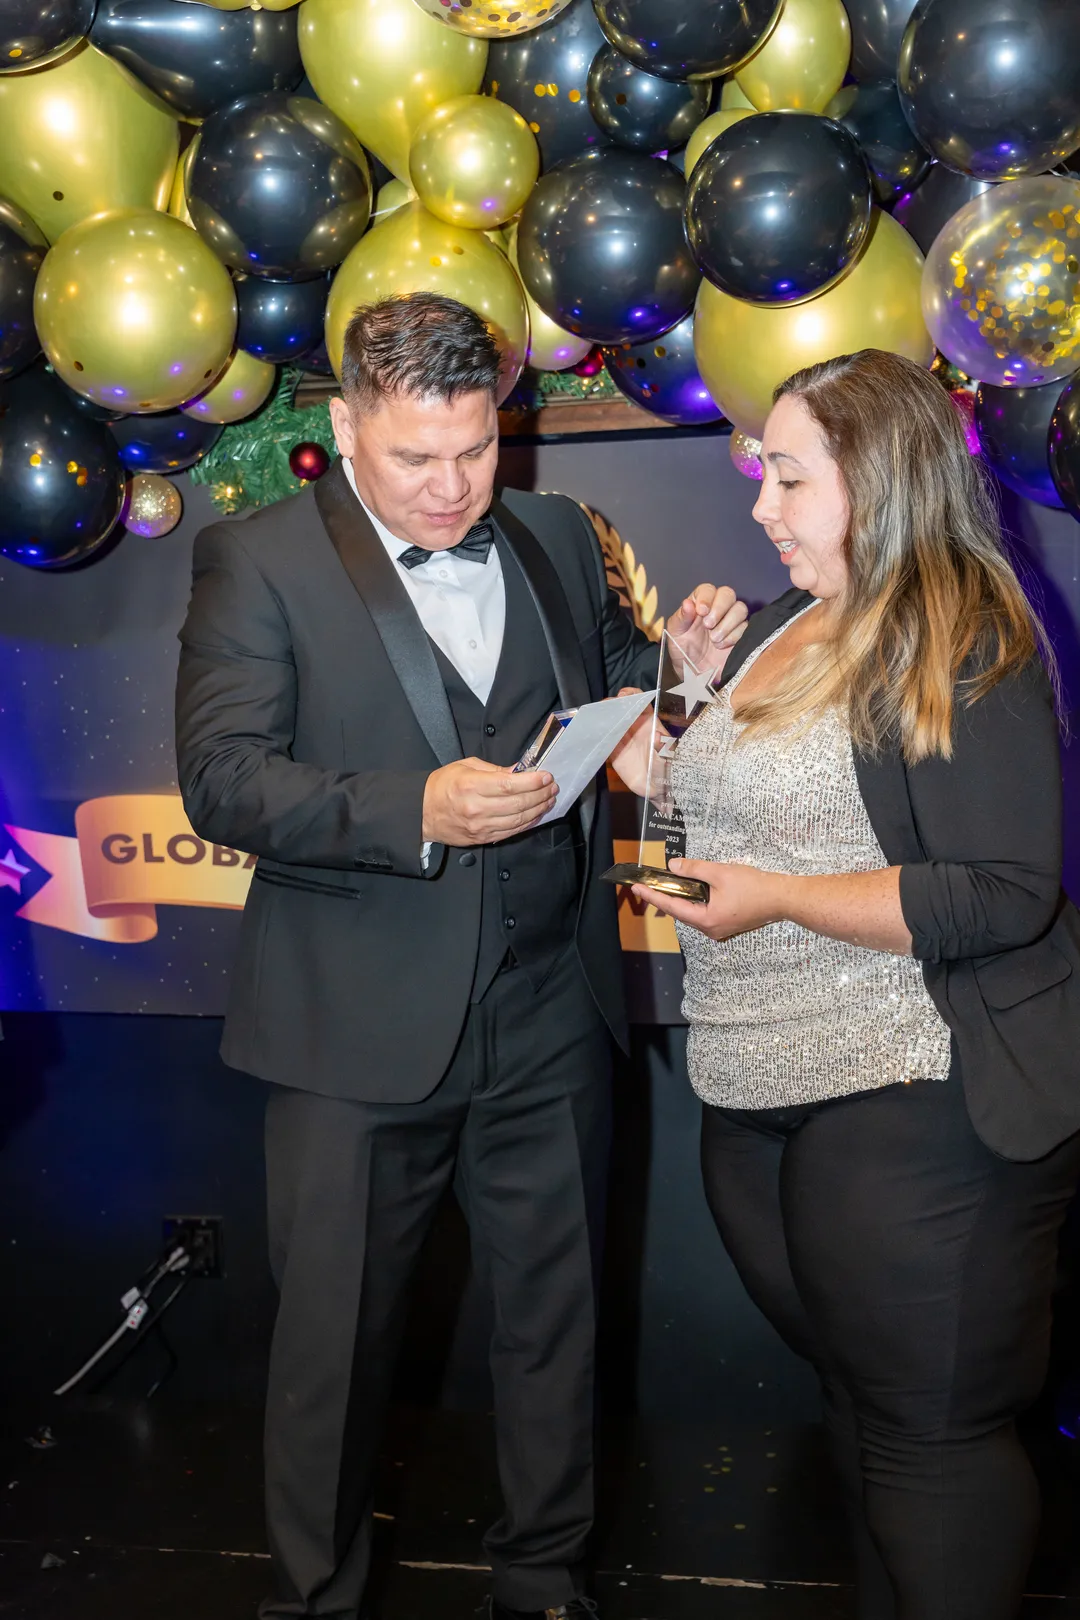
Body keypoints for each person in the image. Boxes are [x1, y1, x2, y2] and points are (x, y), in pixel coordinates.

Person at [175, 291, 747, 1620]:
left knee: (557, 1323)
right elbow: (220, 780)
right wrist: (412, 811)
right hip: (352, 1028)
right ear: (344, 423)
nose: (450, 488)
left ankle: (543, 1578)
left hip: (549, 1009)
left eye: (476, 449)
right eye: (414, 458)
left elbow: (629, 733)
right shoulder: (256, 561)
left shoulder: (553, 533)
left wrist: (680, 689)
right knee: (334, 1345)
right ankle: (315, 1597)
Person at [613, 348, 1080, 1620]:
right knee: (867, 1418)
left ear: (880, 479)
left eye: (791, 476)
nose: (761, 503)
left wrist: (780, 898)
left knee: (930, 1443)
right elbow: (699, 803)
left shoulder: (959, 623)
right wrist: (679, 707)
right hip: (758, 1090)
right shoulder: (777, 621)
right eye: (765, 471)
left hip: (920, 1087)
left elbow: (1000, 890)